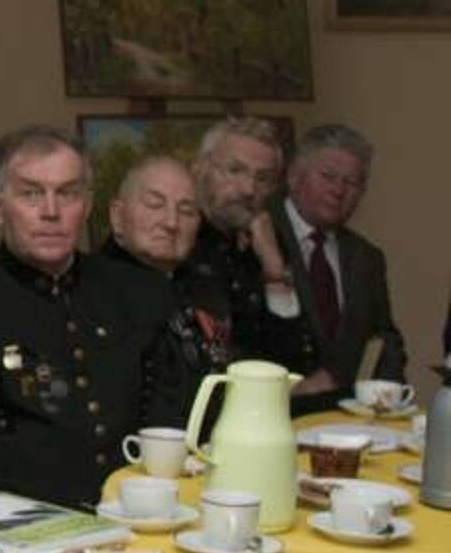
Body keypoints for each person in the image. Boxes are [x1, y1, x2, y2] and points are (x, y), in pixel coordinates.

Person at [0, 126, 189, 508]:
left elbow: (171, 411)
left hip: (141, 510)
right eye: (31, 194)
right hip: (17, 519)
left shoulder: (143, 294)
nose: (51, 211)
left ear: (87, 207)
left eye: (67, 193)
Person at [272, 123, 406, 401]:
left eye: (352, 182)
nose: (338, 190)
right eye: (328, 176)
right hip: (272, 410)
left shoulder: (366, 259)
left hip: (348, 417)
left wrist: (386, 398)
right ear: (294, 176)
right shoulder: (258, 234)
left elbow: (385, 341)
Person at [185, 116, 307, 372]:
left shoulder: (265, 245)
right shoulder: (173, 240)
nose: (249, 190)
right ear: (199, 169)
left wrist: (274, 270)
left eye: (263, 178)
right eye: (235, 170)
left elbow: (291, 363)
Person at [101, 154, 225, 382]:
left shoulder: (207, 287)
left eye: (186, 211)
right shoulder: (88, 290)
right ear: (117, 215)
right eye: (155, 205)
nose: (171, 223)